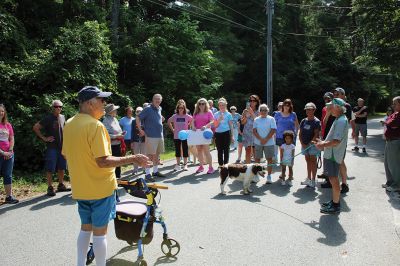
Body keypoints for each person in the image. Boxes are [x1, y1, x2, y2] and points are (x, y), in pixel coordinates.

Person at [62, 86, 152, 266]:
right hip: (100, 188)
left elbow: (66, 154)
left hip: (81, 188)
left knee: (85, 228)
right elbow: (102, 161)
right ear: (89, 103)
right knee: (100, 233)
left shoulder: (70, 123)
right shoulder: (95, 126)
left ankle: (80, 263)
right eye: (101, 100)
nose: (105, 104)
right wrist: (133, 158)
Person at [315, 98, 349, 214]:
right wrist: (323, 142)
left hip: (333, 155)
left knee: (334, 180)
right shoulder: (339, 119)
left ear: (338, 107)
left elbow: (336, 141)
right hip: (332, 153)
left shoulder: (340, 121)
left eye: (331, 106)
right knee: (332, 179)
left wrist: (323, 144)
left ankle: (335, 205)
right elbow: (333, 139)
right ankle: (335, 202)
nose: (329, 108)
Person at [33, 99, 69, 196]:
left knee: (62, 167)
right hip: (52, 147)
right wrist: (44, 138)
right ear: (52, 108)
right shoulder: (48, 118)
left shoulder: (63, 117)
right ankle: (50, 187)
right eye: (56, 106)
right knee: (50, 168)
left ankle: (61, 185)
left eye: (60, 107)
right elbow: (36, 127)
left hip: (62, 147)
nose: (58, 108)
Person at [137, 94, 166, 181]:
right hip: (150, 136)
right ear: (153, 100)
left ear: (161, 100)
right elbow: (138, 117)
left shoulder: (159, 108)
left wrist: (160, 119)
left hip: (159, 135)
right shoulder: (148, 109)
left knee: (157, 155)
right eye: (156, 99)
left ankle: (155, 171)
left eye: (159, 99)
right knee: (149, 155)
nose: (158, 100)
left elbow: (159, 118)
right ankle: (147, 174)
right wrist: (140, 130)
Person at [332, 87, 353, 193]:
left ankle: (344, 183)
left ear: (343, 95)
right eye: (334, 93)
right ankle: (332, 180)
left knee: (340, 160)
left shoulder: (346, 106)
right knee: (334, 160)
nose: (335, 95)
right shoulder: (332, 104)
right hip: (332, 136)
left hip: (339, 138)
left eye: (337, 93)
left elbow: (346, 121)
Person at [253, 104, 277, 184]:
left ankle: (269, 176)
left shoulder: (271, 119)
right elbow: (254, 131)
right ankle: (256, 175)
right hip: (258, 142)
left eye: (265, 110)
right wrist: (260, 139)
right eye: (261, 110)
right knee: (257, 159)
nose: (263, 112)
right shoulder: (256, 119)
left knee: (269, 159)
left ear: (268, 111)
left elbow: (273, 130)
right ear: (259, 111)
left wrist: (266, 139)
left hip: (269, 143)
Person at [299, 102, 321, 188]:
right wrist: (302, 143)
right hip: (304, 144)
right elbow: (300, 133)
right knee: (308, 161)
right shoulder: (303, 121)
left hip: (312, 145)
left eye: (310, 109)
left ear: (314, 110)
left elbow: (316, 134)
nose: (308, 111)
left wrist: (309, 143)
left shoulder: (316, 121)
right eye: (307, 109)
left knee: (313, 161)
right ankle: (308, 178)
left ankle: (313, 180)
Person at [0, 104, 18, 204]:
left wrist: (10, 151)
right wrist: (3, 153)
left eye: (2, 111)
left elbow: (12, 138)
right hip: (1, 153)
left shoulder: (8, 125)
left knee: (8, 175)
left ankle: (9, 197)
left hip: (9, 154)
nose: (1, 113)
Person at [168, 99, 192, 171]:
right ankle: (178, 164)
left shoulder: (186, 116)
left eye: (182, 108)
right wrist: (173, 130)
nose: (180, 109)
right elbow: (169, 122)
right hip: (176, 136)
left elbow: (193, 120)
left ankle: (185, 165)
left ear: (184, 108)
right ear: (177, 108)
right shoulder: (174, 116)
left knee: (185, 149)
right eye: (179, 108)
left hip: (185, 136)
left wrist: (188, 126)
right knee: (177, 150)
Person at [191, 98, 215, 174]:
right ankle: (201, 166)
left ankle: (211, 167)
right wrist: (193, 127)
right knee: (199, 150)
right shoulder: (196, 112)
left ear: (206, 104)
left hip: (206, 133)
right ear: (198, 105)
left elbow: (212, 121)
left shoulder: (209, 112)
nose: (201, 105)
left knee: (206, 151)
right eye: (200, 104)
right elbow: (192, 121)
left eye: (203, 103)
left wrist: (206, 126)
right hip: (197, 133)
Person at [383, 96, 400, 192]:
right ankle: (389, 181)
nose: (393, 106)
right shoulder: (395, 113)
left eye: (395, 104)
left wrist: (387, 122)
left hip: (395, 141)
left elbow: (391, 124)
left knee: (394, 164)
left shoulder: (398, 115)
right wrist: (387, 122)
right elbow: (388, 121)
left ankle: (397, 185)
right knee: (387, 163)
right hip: (389, 141)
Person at [274, 98, 299, 163]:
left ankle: (290, 168)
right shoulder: (277, 114)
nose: (286, 106)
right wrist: (274, 134)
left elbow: (297, 125)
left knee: (290, 153)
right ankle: (282, 166)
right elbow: (274, 125)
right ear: (283, 105)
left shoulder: (293, 114)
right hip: (280, 136)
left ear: (290, 106)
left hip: (290, 137)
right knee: (282, 152)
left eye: (288, 105)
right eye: (285, 104)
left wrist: (295, 134)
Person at [103, 104, 124, 179]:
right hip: (111, 146)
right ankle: (112, 179)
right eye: (115, 110)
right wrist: (116, 136)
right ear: (111, 112)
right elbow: (105, 134)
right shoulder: (106, 120)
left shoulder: (114, 119)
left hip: (118, 144)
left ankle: (118, 178)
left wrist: (121, 134)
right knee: (113, 163)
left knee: (118, 162)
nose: (116, 111)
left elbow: (118, 130)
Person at [319, 92, 336, 182]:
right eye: (325, 98)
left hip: (332, 134)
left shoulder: (334, 109)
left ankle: (330, 175)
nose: (327, 100)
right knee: (325, 154)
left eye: (329, 98)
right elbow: (323, 122)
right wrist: (321, 133)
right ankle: (325, 172)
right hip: (325, 133)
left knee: (331, 154)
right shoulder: (324, 108)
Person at [213, 98, 234, 167]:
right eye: (220, 105)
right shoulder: (216, 114)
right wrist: (219, 119)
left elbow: (231, 126)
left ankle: (226, 164)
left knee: (226, 149)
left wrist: (232, 136)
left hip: (226, 133)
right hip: (218, 133)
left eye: (223, 105)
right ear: (218, 106)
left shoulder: (229, 114)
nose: (222, 107)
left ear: (225, 106)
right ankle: (220, 164)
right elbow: (215, 125)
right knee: (219, 149)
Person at [241, 95, 261, 164]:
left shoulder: (259, 111)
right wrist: (246, 116)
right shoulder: (245, 110)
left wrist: (252, 113)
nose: (252, 102)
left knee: (256, 152)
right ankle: (247, 170)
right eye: (250, 101)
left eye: (254, 101)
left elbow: (258, 122)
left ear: (257, 102)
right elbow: (242, 122)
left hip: (256, 133)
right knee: (248, 151)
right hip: (247, 133)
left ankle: (256, 169)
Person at [131, 107, 146, 174]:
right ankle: (135, 169)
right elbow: (132, 131)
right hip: (136, 140)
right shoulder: (133, 121)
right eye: (137, 111)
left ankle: (144, 169)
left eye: (140, 111)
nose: (139, 112)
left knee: (144, 155)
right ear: (136, 112)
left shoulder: (145, 120)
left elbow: (147, 130)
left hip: (143, 140)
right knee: (136, 155)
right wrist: (132, 142)